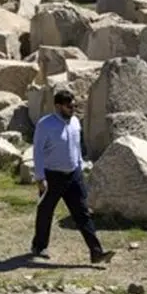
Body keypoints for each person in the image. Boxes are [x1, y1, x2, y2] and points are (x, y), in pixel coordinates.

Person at [31, 90, 116, 265]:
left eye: (74, 105)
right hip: (52, 176)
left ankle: (96, 253)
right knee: (45, 212)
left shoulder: (75, 122)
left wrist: (80, 167)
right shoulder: (45, 125)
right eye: (69, 106)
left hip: (73, 175)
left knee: (82, 213)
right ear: (58, 106)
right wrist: (40, 177)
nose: (72, 109)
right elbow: (37, 151)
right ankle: (39, 246)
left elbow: (76, 147)